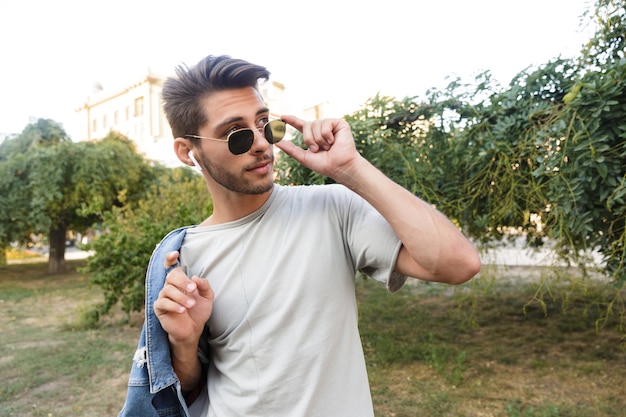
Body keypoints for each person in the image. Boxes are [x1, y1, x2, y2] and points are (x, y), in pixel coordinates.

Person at [118, 55, 481, 417]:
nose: (261, 143)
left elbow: (458, 263)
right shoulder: (182, 258)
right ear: (187, 151)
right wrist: (184, 344)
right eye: (236, 134)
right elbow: (185, 390)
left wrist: (352, 170)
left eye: (266, 125)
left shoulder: (332, 209)